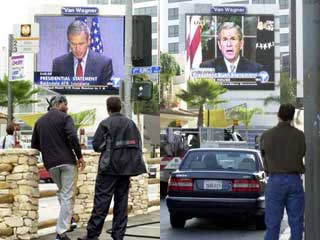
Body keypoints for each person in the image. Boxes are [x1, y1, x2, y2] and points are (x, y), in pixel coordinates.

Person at [78, 97, 147, 240]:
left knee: (101, 203)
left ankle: (92, 235)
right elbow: (137, 145)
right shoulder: (131, 124)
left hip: (108, 169)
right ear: (120, 108)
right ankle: (118, 236)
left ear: (108, 108)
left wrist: (109, 145)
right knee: (121, 204)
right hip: (125, 170)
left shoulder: (105, 124)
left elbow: (97, 145)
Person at [31, 94, 86, 240]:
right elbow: (73, 137)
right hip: (67, 161)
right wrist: (79, 156)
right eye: (66, 105)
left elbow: (34, 145)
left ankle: (69, 220)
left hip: (50, 164)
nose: (67, 108)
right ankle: (61, 232)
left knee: (63, 192)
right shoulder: (65, 118)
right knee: (68, 194)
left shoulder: (39, 122)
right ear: (60, 103)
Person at [260, 103, 306, 240]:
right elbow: (302, 153)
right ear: (292, 117)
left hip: (275, 180)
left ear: (278, 115)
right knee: (296, 223)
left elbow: (264, 156)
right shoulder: (299, 135)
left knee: (273, 224)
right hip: (294, 179)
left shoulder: (267, 135)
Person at [52, 20, 114, 85]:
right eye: (73, 44)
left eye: (81, 44)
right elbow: (56, 92)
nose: (77, 49)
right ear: (69, 42)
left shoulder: (104, 64)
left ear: (89, 41)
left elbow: (107, 94)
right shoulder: (58, 64)